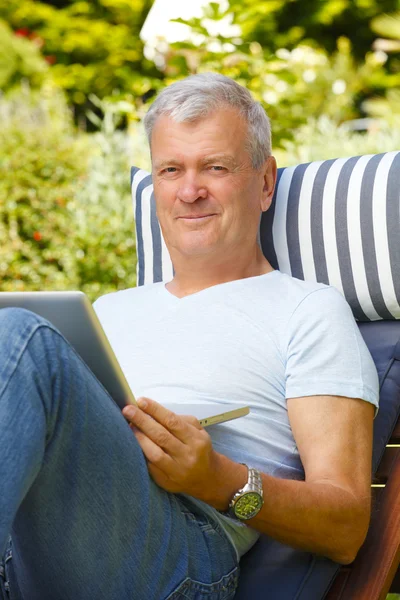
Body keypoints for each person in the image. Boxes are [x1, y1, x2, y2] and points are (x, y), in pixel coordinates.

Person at [0, 73, 379, 600]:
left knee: (19, 334)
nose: (189, 190)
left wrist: (216, 479)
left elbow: (346, 526)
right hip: (38, 544)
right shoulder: (103, 312)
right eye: (171, 169)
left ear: (265, 182)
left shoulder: (310, 311)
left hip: (179, 557)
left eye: (215, 167)